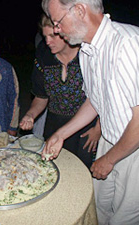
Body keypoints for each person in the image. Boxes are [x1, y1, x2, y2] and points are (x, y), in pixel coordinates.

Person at [41, 0, 139, 224]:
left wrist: (108, 159)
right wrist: (61, 134)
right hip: (110, 140)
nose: (56, 29)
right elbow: (95, 102)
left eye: (58, 22)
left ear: (79, 10)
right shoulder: (87, 51)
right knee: (97, 211)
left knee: (124, 220)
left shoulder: (129, 44)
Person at [20, 13, 100, 169]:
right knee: (52, 168)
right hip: (54, 123)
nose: (48, 41)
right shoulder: (44, 55)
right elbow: (41, 97)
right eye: (45, 36)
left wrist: (99, 128)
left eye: (52, 36)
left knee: (80, 171)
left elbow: (102, 96)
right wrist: (31, 115)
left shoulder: (87, 54)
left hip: (85, 127)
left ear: (66, 32)